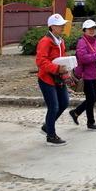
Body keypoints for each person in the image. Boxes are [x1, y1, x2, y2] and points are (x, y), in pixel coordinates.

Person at [36, 13, 70, 146]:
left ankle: (47, 126)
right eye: (60, 25)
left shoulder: (60, 41)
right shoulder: (45, 41)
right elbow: (40, 61)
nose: (62, 26)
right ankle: (51, 135)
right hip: (47, 79)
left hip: (59, 78)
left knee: (64, 103)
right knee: (54, 107)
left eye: (63, 24)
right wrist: (57, 69)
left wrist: (66, 69)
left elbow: (62, 58)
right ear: (52, 27)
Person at [68, 20, 96, 131]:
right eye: (89, 29)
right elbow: (82, 58)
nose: (92, 31)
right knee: (91, 98)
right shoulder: (82, 42)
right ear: (84, 30)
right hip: (85, 75)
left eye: (93, 28)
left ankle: (76, 112)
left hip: (94, 74)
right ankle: (90, 123)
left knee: (95, 97)